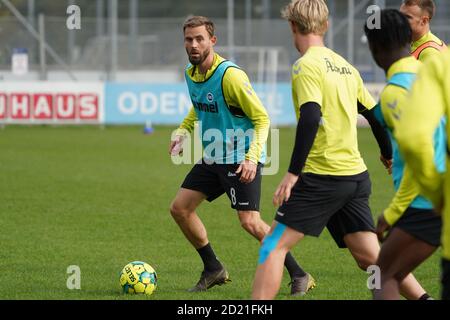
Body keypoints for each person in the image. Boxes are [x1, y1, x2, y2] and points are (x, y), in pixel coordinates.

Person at [251, 0, 428, 300]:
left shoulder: (305, 65)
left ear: (293, 26)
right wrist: (387, 154)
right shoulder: (346, 67)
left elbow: (310, 115)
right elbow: (374, 117)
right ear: (327, 25)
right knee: (371, 257)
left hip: (323, 177)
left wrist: (293, 174)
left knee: (273, 245)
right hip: (355, 178)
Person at [169, 15, 315, 295]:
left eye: (200, 38)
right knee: (180, 209)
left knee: (250, 222)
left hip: (240, 157)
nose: (194, 44)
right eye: (189, 39)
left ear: (212, 40)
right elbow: (198, 107)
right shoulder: (191, 73)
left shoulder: (230, 75)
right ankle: (213, 268)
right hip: (213, 157)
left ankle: (300, 274)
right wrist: (183, 131)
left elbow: (262, 118)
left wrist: (251, 158)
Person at [365, 9, 445, 300]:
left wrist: (393, 212)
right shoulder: (431, 73)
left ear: (376, 48)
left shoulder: (394, 93)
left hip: (427, 202)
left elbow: (420, 155)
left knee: (380, 276)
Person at [395, 46, 450, 300]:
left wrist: (435, 191)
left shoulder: (438, 61)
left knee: (383, 271)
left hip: (436, 204)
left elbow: (413, 138)